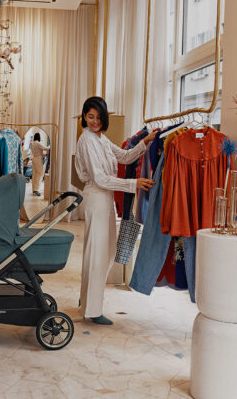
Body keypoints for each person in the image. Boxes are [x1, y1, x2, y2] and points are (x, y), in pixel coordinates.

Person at [75, 96, 158, 325]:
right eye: (90, 116)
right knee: (99, 253)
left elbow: (125, 156)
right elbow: (100, 178)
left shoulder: (100, 138)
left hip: (105, 198)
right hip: (97, 196)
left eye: (99, 117)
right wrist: (133, 183)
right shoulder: (87, 140)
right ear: (84, 117)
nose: (95, 121)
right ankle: (92, 309)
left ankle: (87, 300)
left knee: (104, 251)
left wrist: (145, 142)